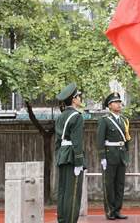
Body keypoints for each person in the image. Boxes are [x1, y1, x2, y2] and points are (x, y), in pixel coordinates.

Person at [55, 83, 86, 223]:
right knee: (73, 193)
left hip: (63, 155)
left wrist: (59, 156)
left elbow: (57, 142)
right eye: (78, 96)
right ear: (73, 99)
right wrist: (79, 162)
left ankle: (62, 220)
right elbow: (77, 142)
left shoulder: (61, 116)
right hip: (72, 157)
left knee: (62, 191)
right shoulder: (77, 117)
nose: (80, 98)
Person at [97, 92, 131, 220]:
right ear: (110, 105)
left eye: (119, 102)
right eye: (116, 102)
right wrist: (102, 157)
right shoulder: (104, 120)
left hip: (121, 156)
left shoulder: (123, 120)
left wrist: (127, 155)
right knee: (109, 185)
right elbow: (100, 140)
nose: (119, 104)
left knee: (120, 184)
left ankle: (117, 210)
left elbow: (127, 139)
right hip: (110, 155)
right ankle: (110, 211)